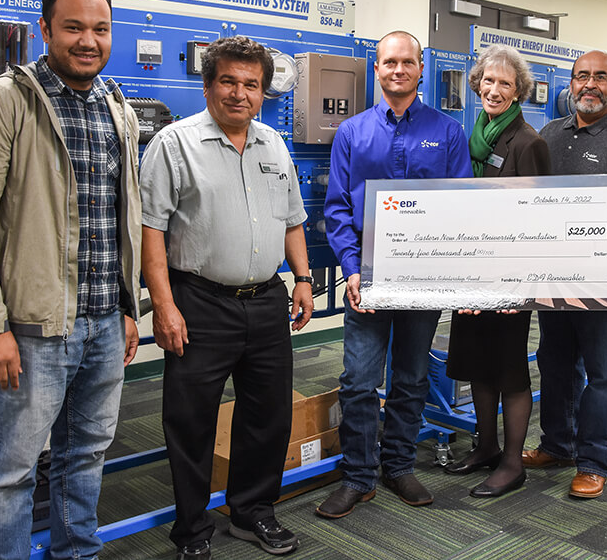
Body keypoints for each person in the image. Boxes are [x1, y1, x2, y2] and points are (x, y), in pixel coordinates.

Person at [0, 0, 141, 560]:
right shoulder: (2, 101)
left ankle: (75, 552)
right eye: (74, 27)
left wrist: (129, 308)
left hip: (105, 322)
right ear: (45, 31)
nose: (89, 39)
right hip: (31, 329)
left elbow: (119, 216)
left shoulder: (117, 108)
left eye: (100, 28)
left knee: (85, 455)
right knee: (11, 472)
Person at [140, 36, 313, 559]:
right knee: (191, 422)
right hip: (199, 302)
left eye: (252, 85)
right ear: (208, 84)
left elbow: (292, 219)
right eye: (229, 82)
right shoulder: (173, 144)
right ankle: (192, 529)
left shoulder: (274, 144)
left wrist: (302, 278)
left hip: (266, 301)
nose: (240, 94)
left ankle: (252, 511)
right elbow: (151, 232)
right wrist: (164, 306)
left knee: (268, 416)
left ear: (264, 92)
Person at [317, 31, 472, 519]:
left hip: (423, 275)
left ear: (421, 68)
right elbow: (338, 207)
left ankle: (399, 465)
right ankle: (359, 475)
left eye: (407, 62)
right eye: (389, 62)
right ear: (377, 68)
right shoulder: (352, 132)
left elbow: (462, 206)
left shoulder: (447, 132)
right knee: (358, 380)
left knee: (411, 376)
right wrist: (352, 268)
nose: (398, 70)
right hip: (369, 273)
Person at [523, 50, 607, 498]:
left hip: (605, 279)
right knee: (555, 363)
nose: (591, 84)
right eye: (583, 76)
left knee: (604, 371)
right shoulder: (549, 134)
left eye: (602, 77)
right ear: (571, 84)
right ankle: (557, 444)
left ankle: (594, 461)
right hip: (554, 277)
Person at [442, 45, 549, 498]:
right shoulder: (472, 137)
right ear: (477, 84)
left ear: (519, 90)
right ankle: (485, 446)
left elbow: (541, 218)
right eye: (488, 80)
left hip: (510, 277)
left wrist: (520, 288)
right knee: (476, 364)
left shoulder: (530, 142)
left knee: (509, 369)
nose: (494, 89)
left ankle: (512, 461)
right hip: (472, 270)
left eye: (505, 83)